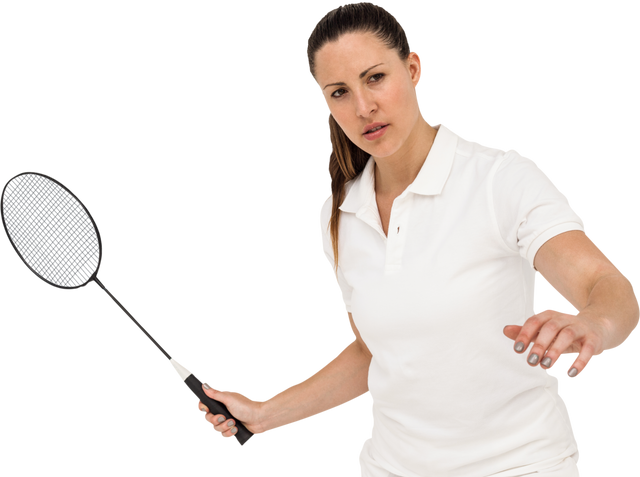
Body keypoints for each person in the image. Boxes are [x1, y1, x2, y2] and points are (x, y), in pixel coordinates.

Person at [195, 2, 638, 475]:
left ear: (413, 68)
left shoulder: (500, 180)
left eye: (375, 78)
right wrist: (264, 416)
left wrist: (595, 324)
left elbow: (605, 286)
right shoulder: (337, 215)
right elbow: (373, 352)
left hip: (522, 465)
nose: (363, 107)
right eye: (339, 92)